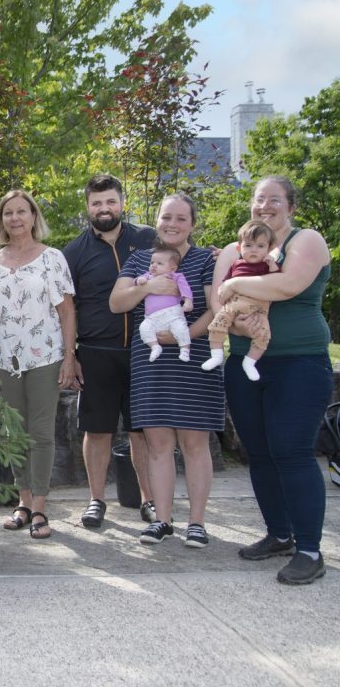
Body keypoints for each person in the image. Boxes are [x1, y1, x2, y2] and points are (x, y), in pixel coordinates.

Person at [212, 176, 331, 585]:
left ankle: (310, 551)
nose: (265, 206)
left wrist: (234, 283)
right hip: (245, 364)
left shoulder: (306, 241)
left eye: (274, 200)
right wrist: (235, 315)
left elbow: (287, 284)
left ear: (290, 206)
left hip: (299, 364)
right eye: (259, 199)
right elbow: (217, 303)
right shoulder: (234, 248)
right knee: (258, 453)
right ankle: (279, 534)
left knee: (292, 451)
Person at [110, 193, 222, 548]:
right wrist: (149, 289)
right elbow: (116, 302)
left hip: (195, 358)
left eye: (181, 219)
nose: (172, 224)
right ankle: (161, 520)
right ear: (156, 220)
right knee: (158, 446)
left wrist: (184, 336)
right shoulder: (141, 259)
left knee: (194, 444)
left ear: (192, 224)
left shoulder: (207, 259)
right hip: (151, 363)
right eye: (166, 217)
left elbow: (215, 308)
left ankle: (197, 523)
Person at [0, 190, 76, 540]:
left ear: (34, 217)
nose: (15, 218)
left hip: (45, 357)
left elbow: (66, 311)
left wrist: (69, 356)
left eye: (22, 212)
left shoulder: (53, 259)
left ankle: (40, 508)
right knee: (13, 434)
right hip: (3, 360)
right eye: (8, 213)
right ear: (1, 220)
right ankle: (22, 502)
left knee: (41, 433)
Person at [62, 174, 156, 528]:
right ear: (87, 207)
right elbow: (66, 309)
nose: (104, 209)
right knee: (97, 431)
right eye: (97, 203)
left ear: (121, 202)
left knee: (141, 431)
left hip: (145, 353)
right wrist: (70, 355)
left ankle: (148, 500)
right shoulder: (73, 252)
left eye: (110, 201)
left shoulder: (148, 239)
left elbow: (184, 261)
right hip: (96, 353)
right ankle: (95, 500)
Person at [202, 219, 277, 381]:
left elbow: (275, 284)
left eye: (260, 246)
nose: (254, 250)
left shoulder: (266, 265)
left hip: (259, 308)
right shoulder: (236, 264)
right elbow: (225, 282)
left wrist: (272, 265)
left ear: (269, 248)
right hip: (234, 304)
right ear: (239, 248)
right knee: (217, 324)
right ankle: (216, 354)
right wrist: (223, 292)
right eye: (248, 245)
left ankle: (250, 361)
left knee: (264, 335)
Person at [134, 245, 194, 362]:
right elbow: (136, 281)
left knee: (181, 329)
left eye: (159, 263)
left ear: (172, 269)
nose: (153, 265)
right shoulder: (148, 276)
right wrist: (139, 280)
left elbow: (185, 288)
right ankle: (155, 346)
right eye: (152, 262)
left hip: (172, 314)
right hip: (151, 317)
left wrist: (188, 301)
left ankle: (185, 350)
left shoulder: (176, 277)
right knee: (144, 328)